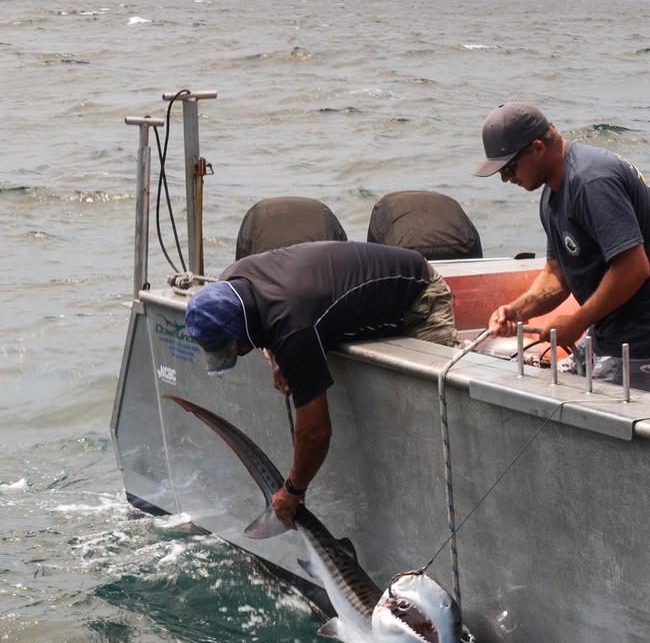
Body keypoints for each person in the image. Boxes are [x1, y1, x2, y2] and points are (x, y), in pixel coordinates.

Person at [185, 240, 458, 524]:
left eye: (235, 349)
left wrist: (292, 490)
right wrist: (278, 356)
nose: (240, 353)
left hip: (420, 296)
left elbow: (316, 433)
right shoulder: (232, 279)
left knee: (429, 424)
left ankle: (436, 517)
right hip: (332, 302)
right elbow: (269, 319)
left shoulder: (293, 328)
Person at [473, 102, 650, 389]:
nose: (506, 179)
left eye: (508, 167)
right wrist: (518, 310)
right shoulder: (552, 195)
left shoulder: (591, 181)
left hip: (638, 343)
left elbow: (634, 267)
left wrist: (577, 321)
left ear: (538, 147)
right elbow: (558, 274)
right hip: (605, 335)